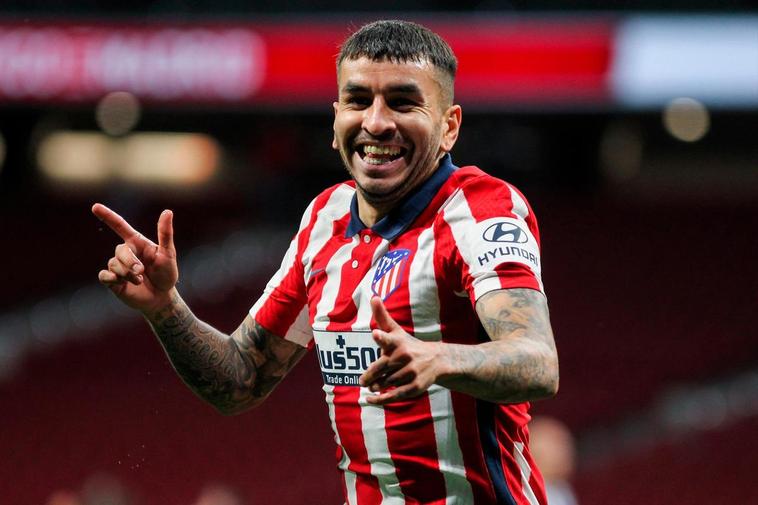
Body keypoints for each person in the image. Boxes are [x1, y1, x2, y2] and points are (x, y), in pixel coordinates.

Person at [93, 20, 559, 505]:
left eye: (403, 102)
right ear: (336, 121)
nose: (377, 122)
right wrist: (165, 308)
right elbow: (240, 381)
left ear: (449, 126)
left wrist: (439, 357)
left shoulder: (480, 209)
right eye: (358, 101)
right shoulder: (324, 218)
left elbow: (538, 362)